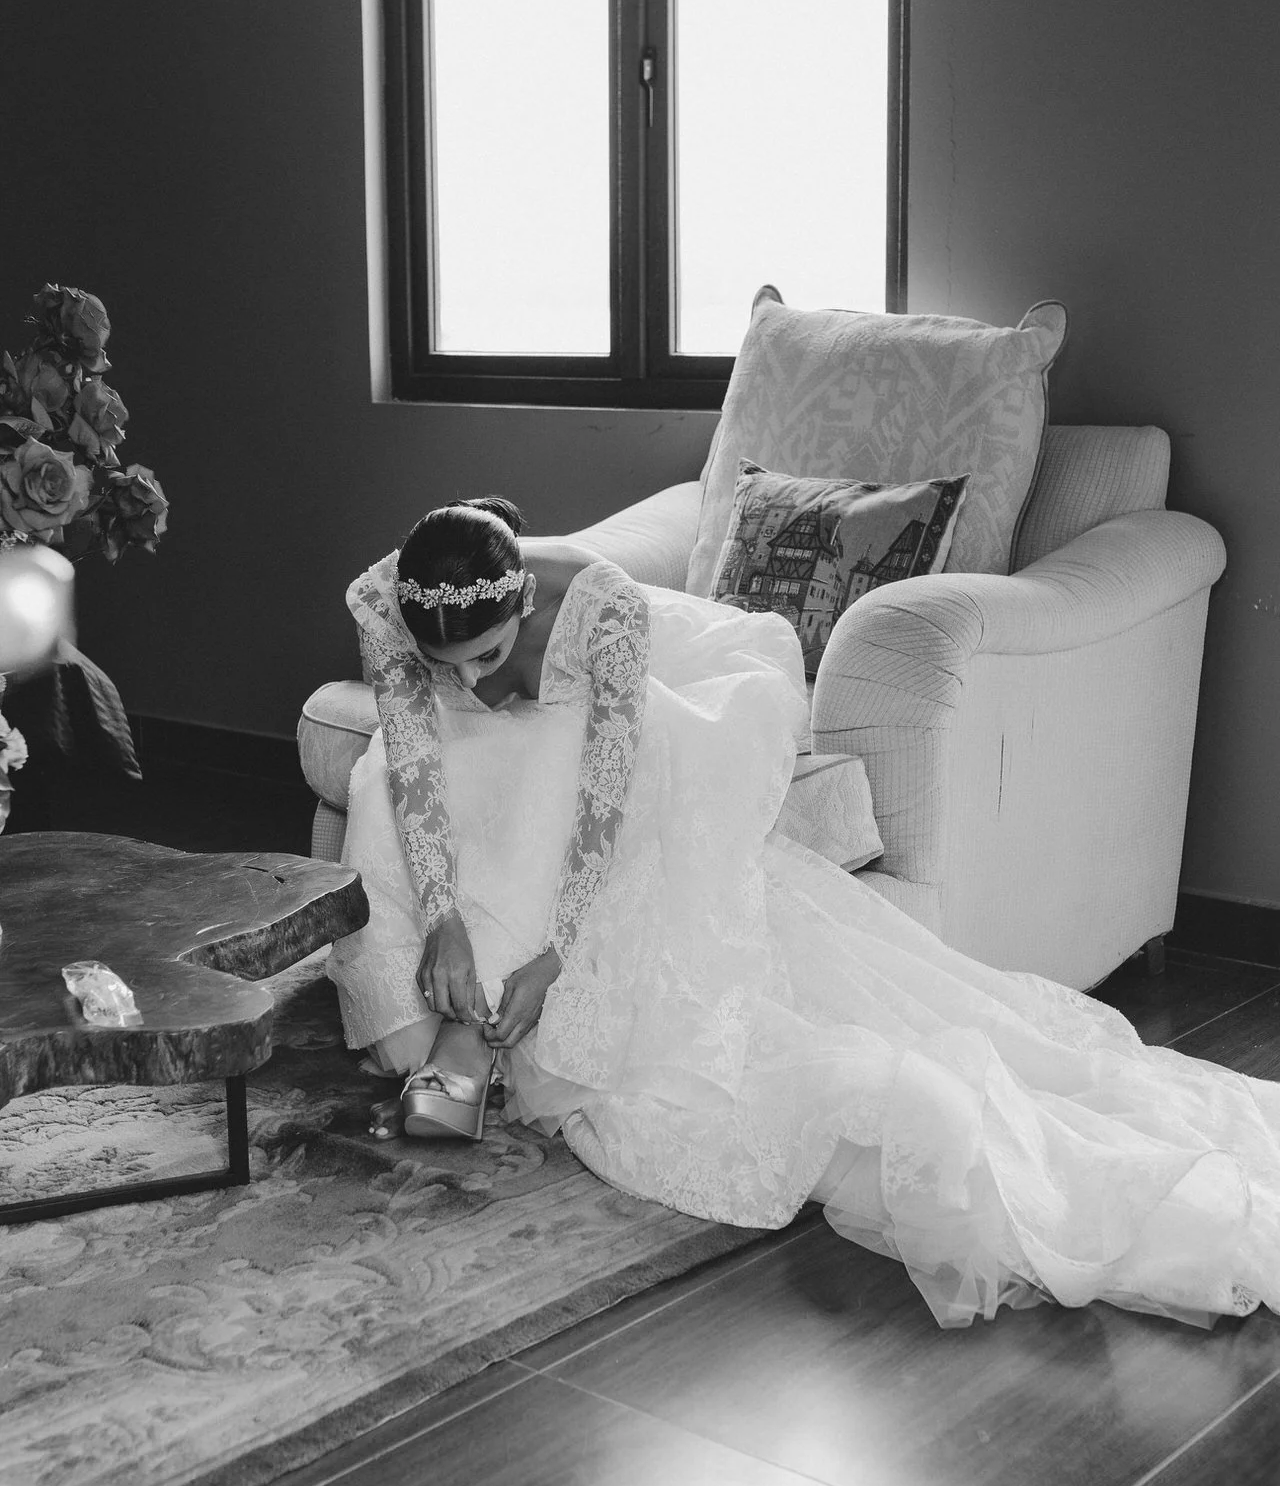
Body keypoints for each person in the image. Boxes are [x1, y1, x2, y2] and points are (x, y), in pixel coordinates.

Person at [329, 496, 1280, 1331]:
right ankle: (461, 1024)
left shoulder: (602, 610)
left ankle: (479, 1034)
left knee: (544, 773)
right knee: (386, 782)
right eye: (447, 665)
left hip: (624, 746)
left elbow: (602, 802)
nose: (472, 682)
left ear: (524, 608)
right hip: (472, 759)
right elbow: (415, 758)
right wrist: (444, 917)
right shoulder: (384, 604)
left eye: (489, 655)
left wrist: (555, 955)